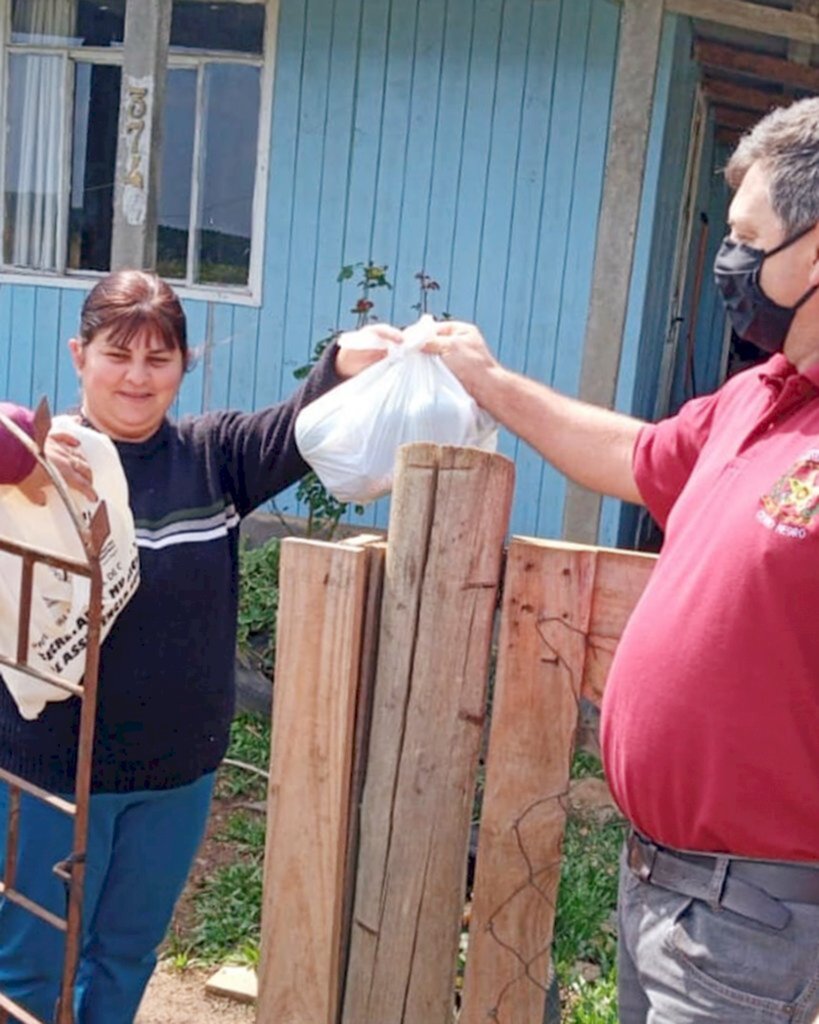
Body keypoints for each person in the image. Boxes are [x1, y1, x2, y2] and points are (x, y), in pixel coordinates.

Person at [426, 95, 819, 1023]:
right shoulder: (753, 399)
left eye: (748, 238)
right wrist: (487, 380)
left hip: (757, 913)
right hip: (661, 886)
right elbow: (628, 456)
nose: (729, 263)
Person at [0, 270, 400, 1024]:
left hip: (175, 776)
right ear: (78, 355)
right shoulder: (33, 466)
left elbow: (298, 426)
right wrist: (25, 455)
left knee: (123, 956)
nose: (137, 377)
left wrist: (345, 359)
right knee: (30, 967)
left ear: (186, 365)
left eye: (159, 359)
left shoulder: (214, 459)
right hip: (51, 771)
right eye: (117, 355)